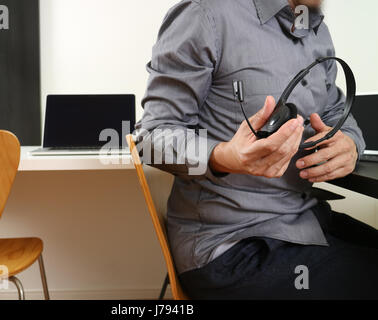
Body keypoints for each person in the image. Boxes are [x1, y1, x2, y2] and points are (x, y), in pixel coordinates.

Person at [135, 0, 378, 299]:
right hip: (232, 245)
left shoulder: (317, 29)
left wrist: (350, 142)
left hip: (307, 220)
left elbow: (336, 112)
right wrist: (225, 156)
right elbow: (150, 137)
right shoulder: (205, 14)